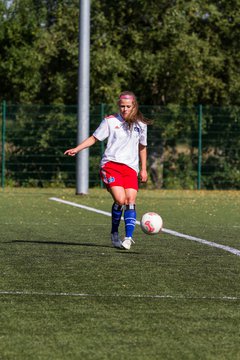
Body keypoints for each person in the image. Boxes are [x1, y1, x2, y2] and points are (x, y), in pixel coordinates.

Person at [64, 91, 151, 250]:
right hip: (111, 165)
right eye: (122, 106)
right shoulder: (110, 121)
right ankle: (114, 233)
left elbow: (142, 147)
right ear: (119, 106)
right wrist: (77, 149)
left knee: (130, 200)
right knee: (120, 200)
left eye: (128, 106)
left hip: (131, 168)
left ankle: (128, 238)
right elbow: (94, 138)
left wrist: (143, 169)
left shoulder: (141, 125)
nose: (125, 109)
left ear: (134, 106)